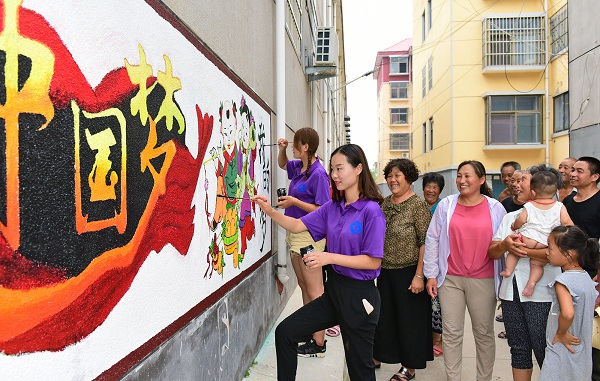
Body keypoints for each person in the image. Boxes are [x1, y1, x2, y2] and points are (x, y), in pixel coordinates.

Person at [252, 144, 385, 381]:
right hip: (334, 293)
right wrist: (269, 211)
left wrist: (328, 258)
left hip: (359, 298)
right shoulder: (332, 208)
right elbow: (296, 225)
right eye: (332, 169)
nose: (334, 175)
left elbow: (373, 261)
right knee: (286, 332)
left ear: (358, 169)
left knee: (360, 370)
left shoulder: (371, 211)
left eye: (340, 169)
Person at [424, 160, 506, 381]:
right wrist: (431, 274)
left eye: (467, 176)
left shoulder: (495, 208)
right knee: (451, 333)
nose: (462, 180)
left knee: (483, 333)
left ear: (481, 180)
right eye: (459, 176)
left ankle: (484, 378)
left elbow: (502, 244)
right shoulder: (446, 205)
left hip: (484, 279)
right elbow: (432, 239)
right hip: (450, 279)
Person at [488, 164, 563, 381]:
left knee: (544, 350)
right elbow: (493, 252)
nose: (516, 184)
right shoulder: (511, 217)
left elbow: (557, 255)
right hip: (511, 293)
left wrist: (521, 249)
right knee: (518, 349)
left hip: (543, 293)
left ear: (539, 187)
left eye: (523, 181)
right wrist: (505, 245)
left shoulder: (557, 216)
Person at [373, 159, 433, 381]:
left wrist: (420, 276)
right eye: (389, 175)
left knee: (410, 322)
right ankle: (379, 355)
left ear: (409, 177)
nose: (392, 180)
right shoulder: (385, 203)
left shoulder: (418, 206)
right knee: (384, 318)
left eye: (397, 175)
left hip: (410, 273)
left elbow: (426, 242)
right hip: (385, 271)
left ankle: (410, 367)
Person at [276, 128, 331, 357]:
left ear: (306, 146)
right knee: (303, 284)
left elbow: (324, 209)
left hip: (310, 235)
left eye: (296, 144)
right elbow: (282, 164)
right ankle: (310, 331)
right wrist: (281, 149)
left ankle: (319, 343)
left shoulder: (318, 174)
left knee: (315, 289)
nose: (293, 147)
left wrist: (294, 201)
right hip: (295, 233)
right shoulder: (298, 166)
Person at [538, 225, 600, 381]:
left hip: (560, 352)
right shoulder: (586, 278)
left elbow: (568, 313)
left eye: (550, 248)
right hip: (581, 357)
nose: (546, 252)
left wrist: (561, 332)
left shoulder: (563, 281)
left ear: (568, 254)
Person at [501, 171, 573, 297]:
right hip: (545, 241)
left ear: (533, 193)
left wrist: (515, 226)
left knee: (513, 249)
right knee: (537, 264)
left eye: (523, 180)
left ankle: (508, 270)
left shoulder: (529, 205)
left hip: (528, 239)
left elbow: (521, 220)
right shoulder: (559, 206)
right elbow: (568, 224)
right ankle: (532, 283)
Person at [562, 156, 600, 381]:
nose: (573, 174)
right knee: (571, 329)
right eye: (572, 170)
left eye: (579, 171)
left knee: (593, 335)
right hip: (568, 277)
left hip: (593, 275)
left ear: (595, 177)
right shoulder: (567, 202)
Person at [421, 171, 446, 356]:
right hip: (421, 262)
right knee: (426, 305)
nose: (430, 190)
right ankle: (428, 338)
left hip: (438, 262)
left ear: (440, 190)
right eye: (428, 186)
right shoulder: (420, 207)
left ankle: (439, 340)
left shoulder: (442, 208)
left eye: (434, 187)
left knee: (438, 303)